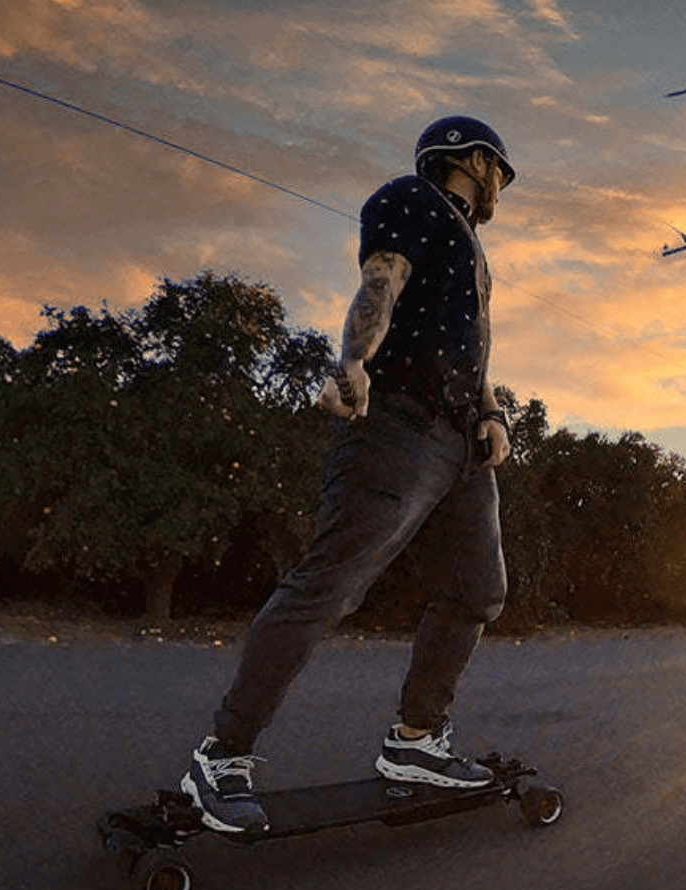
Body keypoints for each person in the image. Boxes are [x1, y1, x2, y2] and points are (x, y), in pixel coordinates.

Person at [181, 116, 516, 833]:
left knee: (478, 589)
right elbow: (380, 281)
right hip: (398, 424)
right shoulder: (412, 199)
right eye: (499, 170)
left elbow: (474, 349)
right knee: (330, 583)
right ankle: (222, 756)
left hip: (461, 443)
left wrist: (494, 415)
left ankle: (417, 742)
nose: (501, 187)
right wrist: (354, 363)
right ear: (472, 158)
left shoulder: (476, 252)